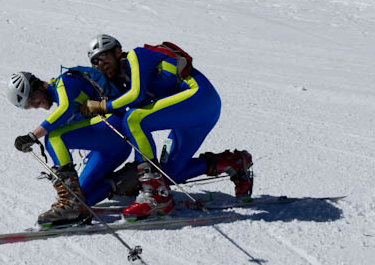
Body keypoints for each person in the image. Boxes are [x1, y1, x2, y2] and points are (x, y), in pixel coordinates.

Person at [81, 34, 253, 220]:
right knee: (168, 173)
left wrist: (102, 106)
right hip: (189, 114)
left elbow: (136, 95)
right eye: (95, 61)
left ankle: (154, 195)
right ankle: (233, 161)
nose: (100, 63)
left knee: (134, 119)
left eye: (103, 56)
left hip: (199, 97)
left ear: (117, 51)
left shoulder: (137, 56)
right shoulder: (123, 82)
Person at [6, 70, 132, 227]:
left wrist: (32, 136)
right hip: (111, 148)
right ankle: (130, 177)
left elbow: (65, 108)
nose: (35, 105)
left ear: (36, 86)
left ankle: (68, 202)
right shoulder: (60, 98)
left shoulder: (64, 82)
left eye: (32, 99)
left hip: (112, 128)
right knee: (82, 200)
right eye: (29, 106)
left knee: (53, 137)